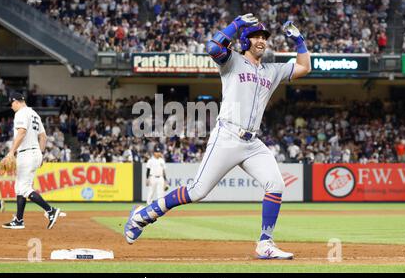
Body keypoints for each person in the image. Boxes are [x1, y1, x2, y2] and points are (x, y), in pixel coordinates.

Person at [124, 14, 311, 259]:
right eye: (255, 36)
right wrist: (236, 24)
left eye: (264, 37)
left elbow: (305, 67)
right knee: (197, 192)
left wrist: (299, 41)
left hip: (252, 142)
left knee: (275, 183)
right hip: (227, 135)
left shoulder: (272, 71)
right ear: (245, 40)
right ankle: (142, 216)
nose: (261, 40)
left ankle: (265, 243)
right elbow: (213, 47)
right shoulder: (231, 61)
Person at [2, 92, 61, 230]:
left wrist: (11, 152)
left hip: (26, 153)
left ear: (16, 101)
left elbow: (22, 132)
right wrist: (40, 154)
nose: (11, 107)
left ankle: (50, 210)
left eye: (11, 104)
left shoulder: (21, 113)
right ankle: (19, 220)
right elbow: (43, 137)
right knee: (19, 188)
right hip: (35, 152)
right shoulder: (34, 114)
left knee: (24, 188)